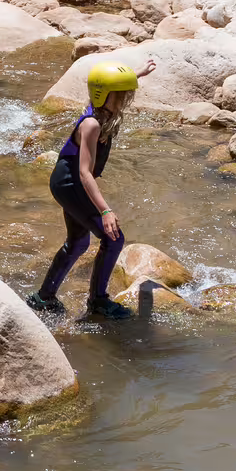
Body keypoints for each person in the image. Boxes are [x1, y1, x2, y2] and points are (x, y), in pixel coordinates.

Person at [26, 57, 157, 320]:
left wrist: (136, 73)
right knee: (113, 238)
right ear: (105, 96)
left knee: (78, 242)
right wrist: (105, 210)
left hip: (68, 181)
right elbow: (85, 173)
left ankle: (44, 297)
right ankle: (97, 301)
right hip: (70, 183)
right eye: (121, 94)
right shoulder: (92, 124)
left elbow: (105, 83)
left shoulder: (102, 111)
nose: (125, 99)